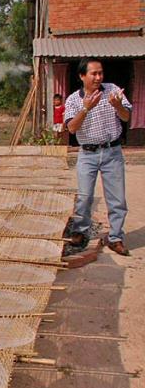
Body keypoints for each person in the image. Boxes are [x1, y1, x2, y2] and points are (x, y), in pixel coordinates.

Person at [65, 57, 132, 256]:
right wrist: (86, 108)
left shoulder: (113, 90)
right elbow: (71, 128)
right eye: (93, 73)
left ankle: (116, 238)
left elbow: (126, 116)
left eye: (100, 73)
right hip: (87, 154)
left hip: (112, 152)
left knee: (117, 199)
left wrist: (118, 106)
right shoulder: (73, 100)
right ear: (82, 76)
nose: (98, 77)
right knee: (84, 197)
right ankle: (80, 232)